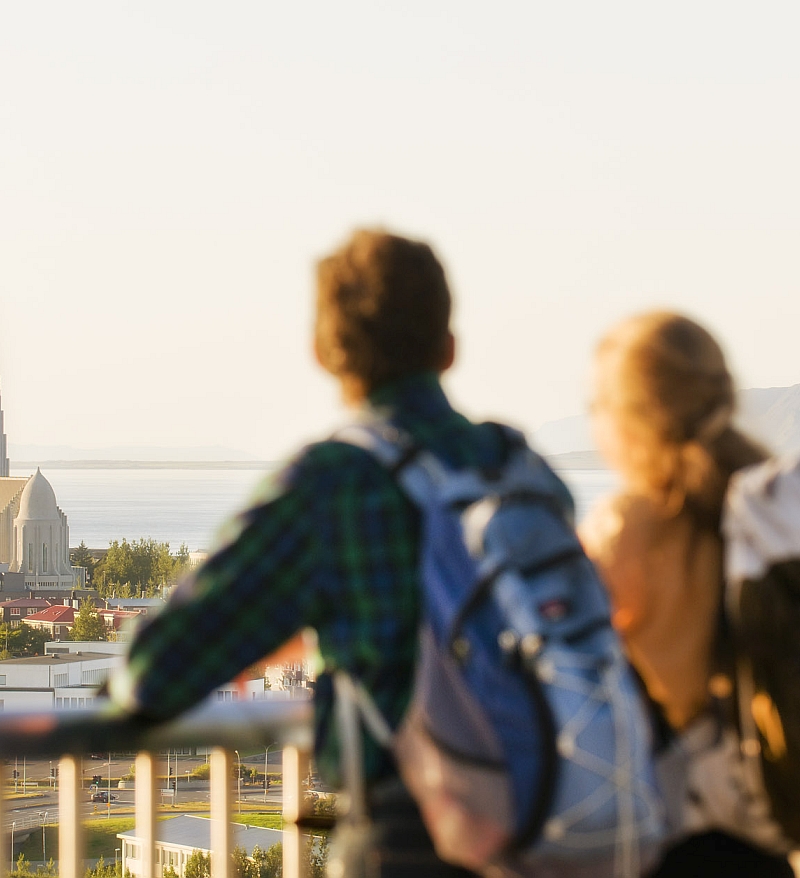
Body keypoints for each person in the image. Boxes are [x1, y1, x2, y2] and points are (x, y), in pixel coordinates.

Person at [106, 228, 507, 877]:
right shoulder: (518, 469)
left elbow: (155, 673)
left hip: (409, 841)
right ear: (449, 347)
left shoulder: (335, 484)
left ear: (325, 352)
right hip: (549, 828)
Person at [577, 311, 793, 878]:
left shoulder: (624, 530)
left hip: (671, 828)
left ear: (628, 419)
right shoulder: (771, 507)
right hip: (767, 825)